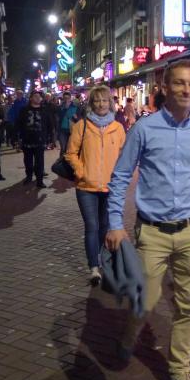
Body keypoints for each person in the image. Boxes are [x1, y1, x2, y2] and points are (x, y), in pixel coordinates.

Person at [106, 59, 190, 380]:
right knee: (146, 300)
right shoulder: (144, 129)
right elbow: (120, 176)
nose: (186, 89)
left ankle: (180, 370)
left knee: (188, 305)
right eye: (179, 83)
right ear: (165, 88)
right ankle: (130, 334)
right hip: (152, 232)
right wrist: (114, 223)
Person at [66, 85, 126, 285]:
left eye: (105, 100)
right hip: (86, 187)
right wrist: (80, 171)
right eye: (97, 100)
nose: (101, 104)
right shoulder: (81, 126)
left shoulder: (118, 128)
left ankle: (102, 260)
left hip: (110, 188)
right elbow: (70, 153)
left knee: (105, 227)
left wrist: (119, 179)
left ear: (110, 103)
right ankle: (94, 267)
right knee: (92, 226)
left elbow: (124, 156)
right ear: (91, 103)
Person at [16, 91, 47, 188]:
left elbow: (49, 124)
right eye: (35, 96)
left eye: (39, 97)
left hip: (40, 139)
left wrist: (50, 139)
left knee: (40, 161)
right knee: (28, 160)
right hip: (27, 139)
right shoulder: (24, 110)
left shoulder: (44, 110)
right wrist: (17, 137)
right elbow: (19, 123)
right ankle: (29, 176)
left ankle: (39, 180)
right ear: (31, 98)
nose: (38, 98)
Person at [58, 91, 79, 157]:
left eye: (68, 98)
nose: (66, 100)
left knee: (70, 148)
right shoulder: (60, 107)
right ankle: (61, 161)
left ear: (70, 98)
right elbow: (57, 117)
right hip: (62, 130)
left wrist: (76, 118)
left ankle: (68, 161)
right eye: (65, 98)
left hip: (72, 130)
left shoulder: (75, 107)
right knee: (63, 148)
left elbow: (79, 119)